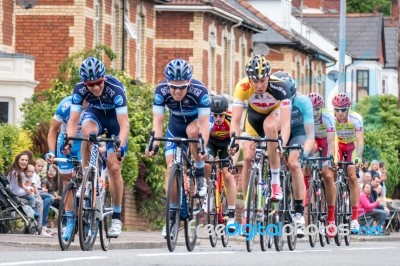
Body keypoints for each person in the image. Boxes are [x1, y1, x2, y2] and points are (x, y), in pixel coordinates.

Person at [145, 59, 210, 237]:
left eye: (182, 87)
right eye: (173, 87)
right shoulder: (161, 91)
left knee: (193, 131)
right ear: (168, 83)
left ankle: (198, 172)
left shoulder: (200, 91)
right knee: (170, 166)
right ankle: (172, 216)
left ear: (189, 83)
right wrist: (154, 145)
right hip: (174, 126)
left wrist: (203, 148)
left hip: (196, 123)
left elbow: (204, 125)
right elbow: (158, 123)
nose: (177, 91)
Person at [65, 57, 129, 237]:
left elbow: (124, 125)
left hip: (115, 122)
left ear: (104, 78)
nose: (95, 88)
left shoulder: (115, 89)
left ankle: (116, 217)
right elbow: (73, 120)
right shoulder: (80, 89)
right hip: (96, 116)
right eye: (90, 85)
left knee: (113, 167)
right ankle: (88, 175)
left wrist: (120, 147)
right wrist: (68, 141)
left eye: (98, 83)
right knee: (87, 132)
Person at [230, 55, 292, 219]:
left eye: (263, 81)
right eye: (255, 81)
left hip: (275, 115)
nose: (259, 85)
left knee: (270, 127)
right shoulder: (242, 87)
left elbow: (286, 124)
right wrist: (234, 141)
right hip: (253, 119)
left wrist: (282, 144)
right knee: (249, 158)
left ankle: (275, 182)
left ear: (269, 77)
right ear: (249, 79)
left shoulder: (280, 87)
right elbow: (235, 121)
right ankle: (247, 209)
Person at [276, 71, 313, 238]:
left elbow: (310, 134)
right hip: (279, 131)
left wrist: (304, 152)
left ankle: (299, 212)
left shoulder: (303, 102)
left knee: (293, 163)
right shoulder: (271, 99)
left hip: (298, 133)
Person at [45, 95, 83, 240]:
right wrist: (51, 152)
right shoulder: (65, 105)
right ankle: (69, 220)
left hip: (83, 142)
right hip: (65, 141)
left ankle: (89, 215)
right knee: (67, 181)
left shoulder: (93, 103)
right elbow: (52, 131)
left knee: (87, 174)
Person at [332, 93, 364, 231]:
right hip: (337, 146)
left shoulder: (355, 119)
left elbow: (360, 140)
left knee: (352, 176)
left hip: (351, 147)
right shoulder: (330, 119)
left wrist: (359, 157)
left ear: (348, 109)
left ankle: (355, 218)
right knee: (330, 173)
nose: (340, 113)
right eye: (337, 109)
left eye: (343, 110)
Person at [204, 95, 237, 228]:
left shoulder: (231, 118)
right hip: (211, 142)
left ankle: (231, 214)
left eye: (220, 116)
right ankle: (208, 190)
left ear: (225, 113)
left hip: (227, 144)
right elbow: (202, 137)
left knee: (228, 175)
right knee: (206, 163)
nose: (218, 118)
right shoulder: (207, 119)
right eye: (215, 115)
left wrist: (234, 150)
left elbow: (236, 138)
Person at [307, 92, 336, 237]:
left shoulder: (328, 118)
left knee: (327, 176)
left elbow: (331, 143)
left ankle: (331, 218)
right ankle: (307, 195)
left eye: (317, 109)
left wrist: (330, 161)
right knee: (307, 153)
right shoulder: (304, 116)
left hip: (325, 145)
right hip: (311, 143)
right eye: (312, 109)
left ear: (321, 108)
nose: (315, 112)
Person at [6, 151, 43, 233]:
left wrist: (28, 189)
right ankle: (39, 228)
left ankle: (35, 225)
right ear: (17, 160)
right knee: (39, 202)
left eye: (26, 160)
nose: (25, 162)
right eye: (22, 160)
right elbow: (15, 190)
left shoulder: (22, 172)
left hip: (19, 196)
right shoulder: (14, 173)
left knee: (38, 200)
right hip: (15, 198)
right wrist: (27, 191)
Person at [32, 158, 54, 235]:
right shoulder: (33, 175)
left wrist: (42, 190)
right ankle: (41, 220)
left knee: (49, 198)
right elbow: (33, 187)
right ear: (34, 166)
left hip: (38, 192)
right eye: (38, 166)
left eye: (42, 166)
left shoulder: (37, 175)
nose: (40, 168)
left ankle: (43, 223)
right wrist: (42, 190)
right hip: (34, 194)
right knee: (49, 197)